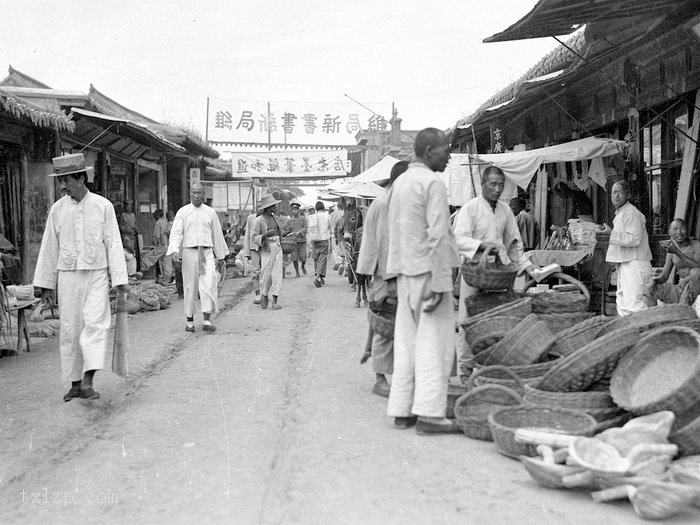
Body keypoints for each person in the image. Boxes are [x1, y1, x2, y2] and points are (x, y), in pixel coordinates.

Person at [33, 153, 129, 402]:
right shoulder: (58, 210)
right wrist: (46, 285)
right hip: (67, 277)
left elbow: (114, 243)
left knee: (96, 324)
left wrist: (120, 281)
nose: (62, 187)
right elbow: (48, 248)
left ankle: (88, 380)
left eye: (66, 181)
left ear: (81, 178)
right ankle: (75, 384)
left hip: (97, 274)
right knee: (70, 329)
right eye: (60, 182)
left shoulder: (102, 206)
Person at [385, 127, 460, 435]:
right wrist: (440, 282)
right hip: (428, 274)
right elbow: (438, 235)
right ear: (430, 152)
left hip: (405, 273)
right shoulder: (433, 183)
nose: (449, 156)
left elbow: (395, 232)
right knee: (434, 343)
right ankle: (430, 414)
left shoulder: (400, 182)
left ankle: (402, 409)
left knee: (406, 343)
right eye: (445, 151)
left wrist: (393, 276)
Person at [454, 166, 556, 382]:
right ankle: (465, 372)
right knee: (467, 322)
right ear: (483, 185)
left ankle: (489, 373)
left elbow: (515, 243)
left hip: (499, 276)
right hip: (474, 273)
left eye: (501, 184)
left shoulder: (505, 211)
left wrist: (529, 268)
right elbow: (458, 239)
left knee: (497, 324)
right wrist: (483, 245)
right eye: (493, 184)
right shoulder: (470, 208)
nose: (497, 189)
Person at [357, 160, 409, 398]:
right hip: (386, 273)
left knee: (389, 323)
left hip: (394, 272)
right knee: (385, 325)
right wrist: (389, 279)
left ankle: (388, 371)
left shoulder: (394, 202)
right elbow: (385, 243)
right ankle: (380, 379)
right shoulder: (386, 203)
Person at [166, 182, 229, 332]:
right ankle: (189, 321)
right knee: (190, 286)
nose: (196, 195)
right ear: (190, 194)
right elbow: (176, 232)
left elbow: (217, 234)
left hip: (207, 253)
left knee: (208, 284)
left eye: (199, 193)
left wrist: (220, 256)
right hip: (189, 252)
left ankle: (207, 320)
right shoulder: (183, 212)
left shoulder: (210, 212)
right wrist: (175, 250)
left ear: (203, 194)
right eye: (193, 192)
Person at [605, 181, 652, 316]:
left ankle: (646, 335)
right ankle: (631, 334)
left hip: (635, 263)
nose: (616, 196)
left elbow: (635, 239)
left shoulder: (631, 212)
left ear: (628, 195)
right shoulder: (622, 213)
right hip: (627, 263)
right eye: (614, 192)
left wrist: (611, 234)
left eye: (620, 192)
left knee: (634, 304)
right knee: (624, 304)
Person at [645, 218, 700, 305]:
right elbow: (665, 276)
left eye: (682, 228)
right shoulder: (671, 251)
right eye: (675, 229)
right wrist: (654, 281)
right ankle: (654, 316)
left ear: (687, 230)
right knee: (649, 288)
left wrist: (677, 252)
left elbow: (697, 269)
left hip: (694, 288)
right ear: (669, 232)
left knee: (695, 272)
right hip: (679, 288)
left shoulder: (696, 245)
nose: (679, 232)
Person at [252, 194, 284, 310]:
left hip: (278, 247)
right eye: (274, 205)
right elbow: (254, 237)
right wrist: (265, 235)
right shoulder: (259, 221)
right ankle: (264, 294)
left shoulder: (276, 219)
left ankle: (275, 300)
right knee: (266, 274)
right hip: (266, 249)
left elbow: (280, 233)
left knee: (277, 274)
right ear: (269, 207)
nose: (276, 207)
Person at [140, 208, 172, 284]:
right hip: (167, 246)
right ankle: (167, 279)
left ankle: (141, 271)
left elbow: (156, 236)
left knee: (147, 257)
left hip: (161, 245)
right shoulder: (165, 222)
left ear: (157, 215)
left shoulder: (158, 223)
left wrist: (154, 244)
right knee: (165, 263)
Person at [307, 201, 332, 288]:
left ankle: (320, 278)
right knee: (322, 259)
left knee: (316, 259)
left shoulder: (312, 217)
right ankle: (317, 277)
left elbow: (309, 229)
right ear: (323, 207)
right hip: (324, 239)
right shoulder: (327, 216)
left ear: (316, 208)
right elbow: (329, 226)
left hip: (314, 240)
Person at [283, 199, 308, 278]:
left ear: (298, 210)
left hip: (302, 241)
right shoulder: (290, 220)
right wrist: (287, 231)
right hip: (293, 242)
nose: (294, 211)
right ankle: (297, 273)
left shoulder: (303, 218)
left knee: (304, 257)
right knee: (294, 258)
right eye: (293, 210)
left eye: (296, 209)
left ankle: (303, 266)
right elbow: (283, 228)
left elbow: (306, 228)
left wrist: (300, 232)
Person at [243, 208, 262, 304]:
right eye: (258, 207)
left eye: (262, 207)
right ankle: (257, 293)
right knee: (255, 272)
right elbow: (247, 235)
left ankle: (265, 292)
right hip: (253, 248)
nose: (260, 209)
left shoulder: (268, 218)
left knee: (266, 271)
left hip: (265, 248)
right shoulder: (250, 218)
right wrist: (247, 253)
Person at [119, 199, 140, 270]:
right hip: (126, 236)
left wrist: (136, 229)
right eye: (127, 206)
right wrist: (128, 230)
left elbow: (134, 224)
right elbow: (121, 227)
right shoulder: (123, 215)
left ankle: (132, 270)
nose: (129, 208)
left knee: (132, 253)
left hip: (132, 236)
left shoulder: (133, 215)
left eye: (130, 206)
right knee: (128, 252)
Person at [330, 201, 345, 271]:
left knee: (335, 249)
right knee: (344, 249)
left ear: (337, 206)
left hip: (334, 233)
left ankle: (337, 262)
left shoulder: (333, 214)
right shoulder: (344, 214)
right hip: (343, 233)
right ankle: (344, 263)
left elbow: (330, 224)